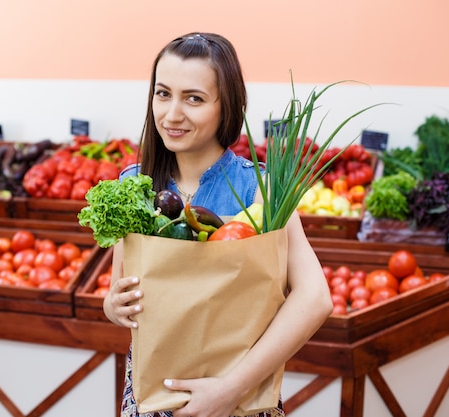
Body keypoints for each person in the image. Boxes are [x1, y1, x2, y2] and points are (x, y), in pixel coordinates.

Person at [103, 32, 333, 417]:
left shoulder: (260, 189)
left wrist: (230, 390)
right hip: (152, 392)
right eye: (163, 94)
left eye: (194, 98)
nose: (172, 113)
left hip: (239, 398)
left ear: (227, 106)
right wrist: (113, 306)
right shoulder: (133, 185)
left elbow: (315, 299)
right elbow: (118, 291)